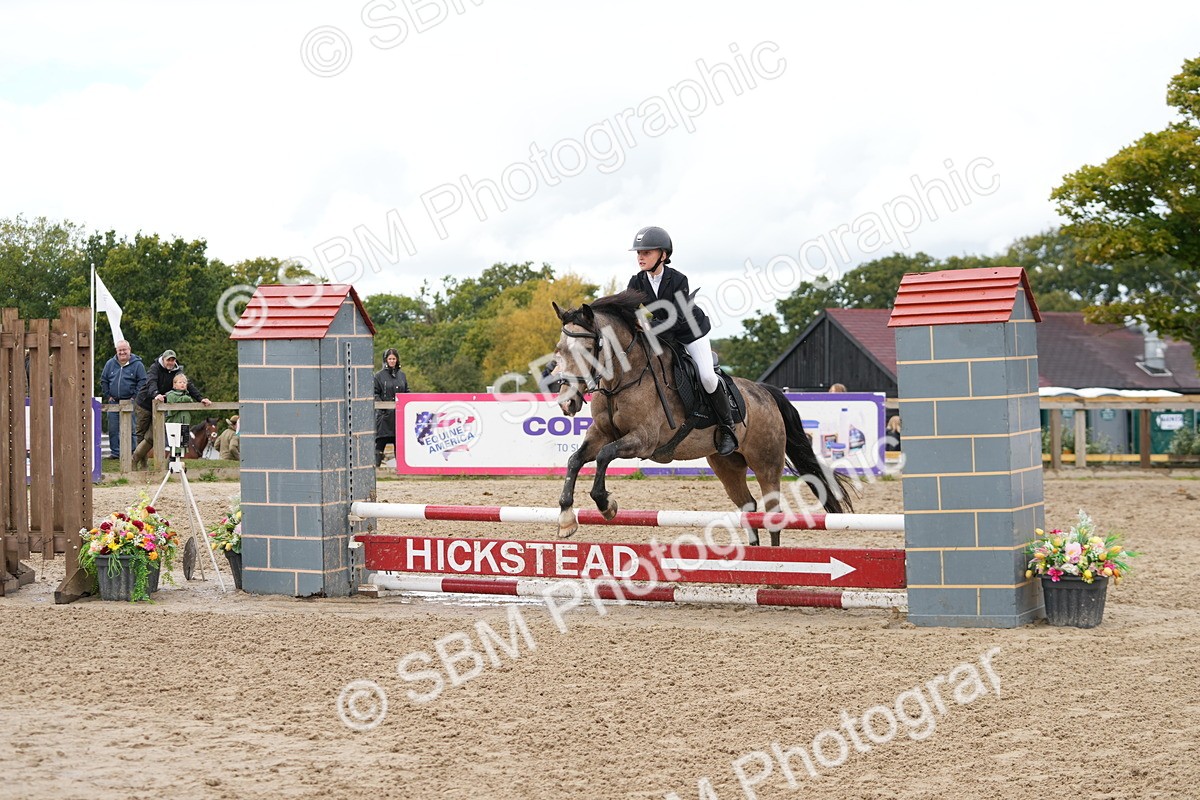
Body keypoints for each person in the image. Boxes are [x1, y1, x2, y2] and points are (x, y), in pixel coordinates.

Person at [626, 225, 737, 456]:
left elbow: (677, 320)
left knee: (707, 376)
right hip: (663, 337)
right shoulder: (636, 282)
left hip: (690, 333)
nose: (640, 257)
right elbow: (627, 311)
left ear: (663, 255)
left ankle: (728, 428)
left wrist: (646, 325)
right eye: (639, 253)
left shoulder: (678, 280)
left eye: (646, 252)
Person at [132, 350, 211, 469]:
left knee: (153, 436)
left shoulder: (177, 371)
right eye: (168, 360)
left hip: (161, 406)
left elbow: (188, 385)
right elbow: (151, 382)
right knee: (140, 434)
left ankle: (137, 459)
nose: (170, 362)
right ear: (163, 360)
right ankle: (139, 462)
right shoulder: (155, 368)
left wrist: (200, 398)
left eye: (172, 360)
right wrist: (156, 393)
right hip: (144, 403)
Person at [98, 340, 146, 460]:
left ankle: (133, 452)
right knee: (113, 428)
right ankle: (115, 453)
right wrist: (108, 395)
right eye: (120, 350)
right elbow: (104, 380)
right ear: (116, 351)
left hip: (131, 401)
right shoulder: (110, 364)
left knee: (132, 428)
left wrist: (134, 397)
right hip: (114, 402)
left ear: (130, 350)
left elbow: (143, 381)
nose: (122, 352)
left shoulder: (137, 365)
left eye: (124, 349)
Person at [374, 348, 408, 467]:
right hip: (384, 416)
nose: (392, 361)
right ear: (385, 360)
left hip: (398, 415)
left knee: (398, 443)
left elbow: (407, 392)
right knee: (380, 442)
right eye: (390, 359)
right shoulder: (378, 376)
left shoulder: (402, 375)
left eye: (394, 358)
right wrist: (383, 408)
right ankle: (376, 469)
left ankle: (401, 469)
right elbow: (375, 393)